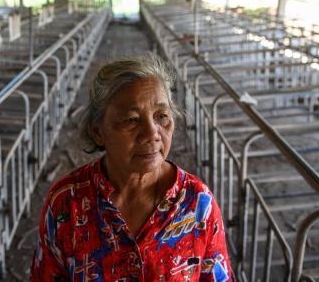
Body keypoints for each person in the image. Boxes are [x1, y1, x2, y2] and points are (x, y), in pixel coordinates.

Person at [30, 53, 235, 282]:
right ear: (98, 131)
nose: (152, 133)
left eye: (162, 116)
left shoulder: (197, 203)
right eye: (131, 119)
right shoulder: (67, 203)